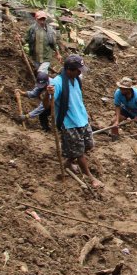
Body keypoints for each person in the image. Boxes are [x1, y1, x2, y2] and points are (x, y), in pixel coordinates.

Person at [48, 55, 103, 188]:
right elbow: (47, 105)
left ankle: (68, 162)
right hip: (69, 123)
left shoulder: (76, 79)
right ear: (69, 70)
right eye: (78, 70)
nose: (80, 73)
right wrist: (47, 94)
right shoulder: (58, 83)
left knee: (88, 145)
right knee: (80, 153)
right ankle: (90, 177)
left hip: (82, 119)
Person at [111, 77, 137, 145]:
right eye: (120, 88)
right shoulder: (118, 93)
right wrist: (117, 121)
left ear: (129, 89)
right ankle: (115, 141)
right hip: (126, 108)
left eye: (123, 89)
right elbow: (117, 106)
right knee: (113, 122)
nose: (121, 90)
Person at [22, 62, 52, 131]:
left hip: (61, 102)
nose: (42, 86)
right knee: (42, 114)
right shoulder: (42, 82)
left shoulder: (52, 85)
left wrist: (27, 116)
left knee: (59, 116)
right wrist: (22, 93)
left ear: (47, 81)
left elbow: (43, 107)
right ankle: (46, 129)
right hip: (51, 102)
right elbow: (33, 93)